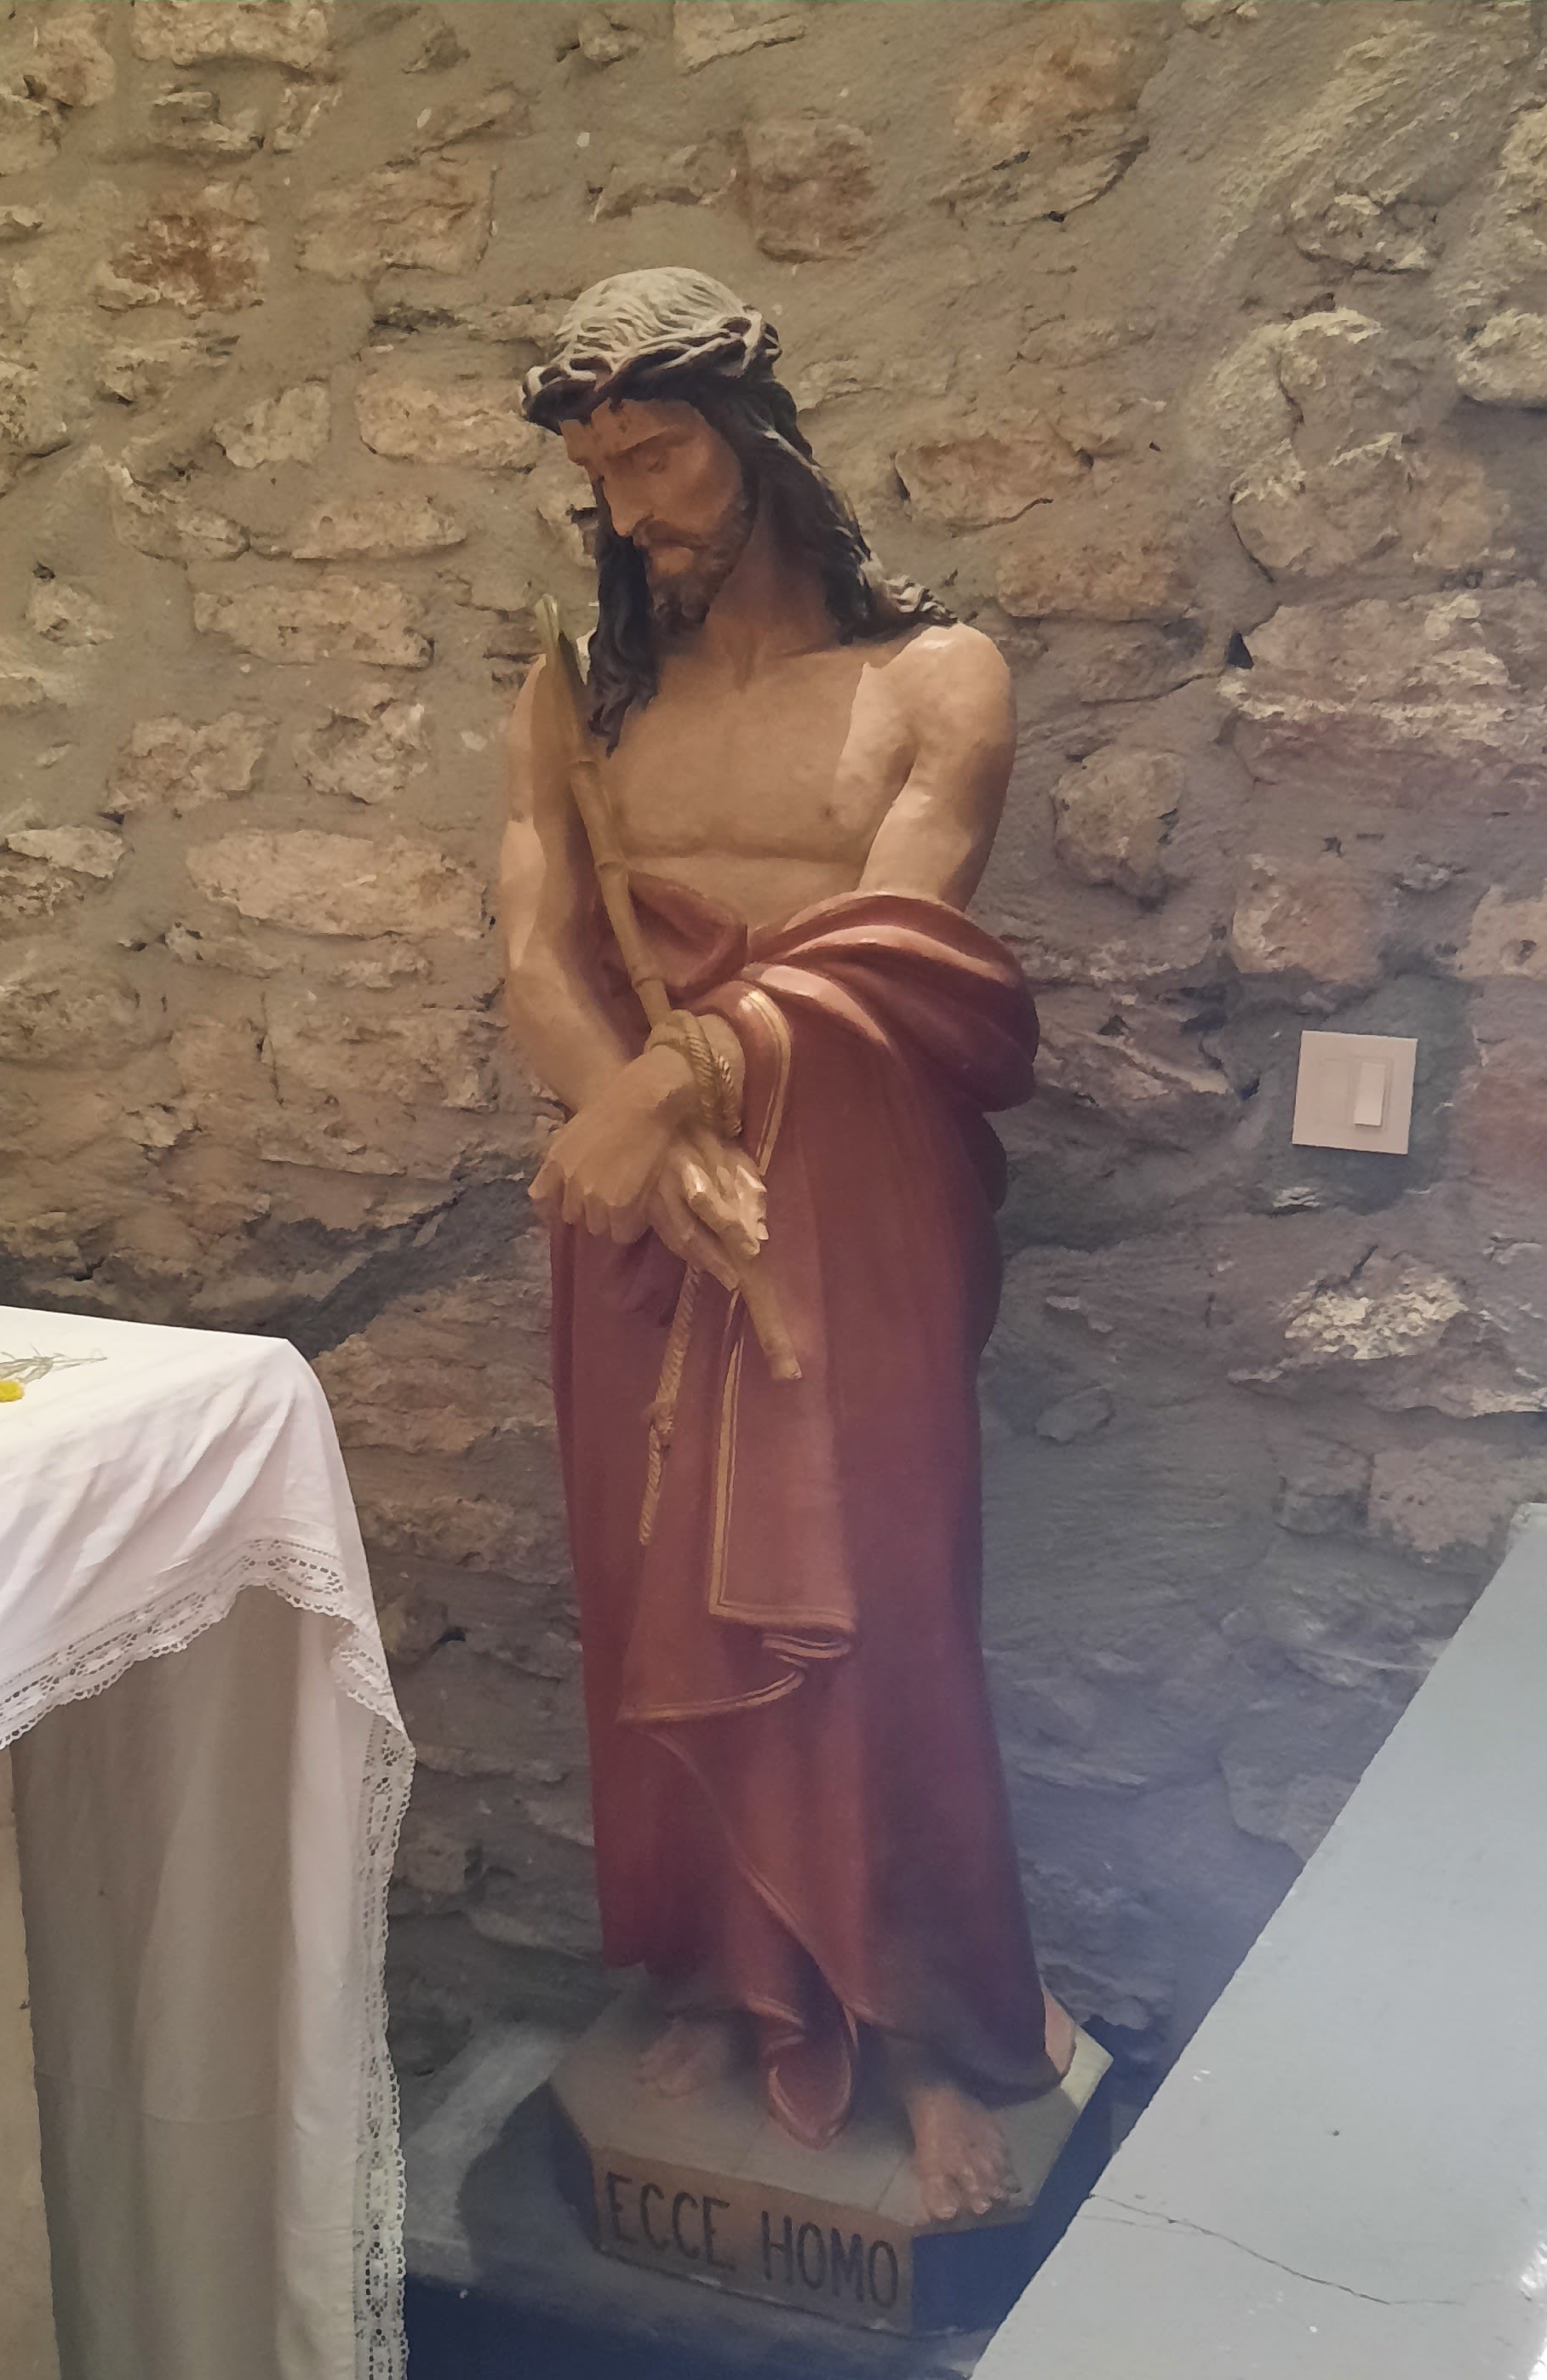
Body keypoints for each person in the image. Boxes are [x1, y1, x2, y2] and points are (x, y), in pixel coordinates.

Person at [498, 268, 1072, 2222]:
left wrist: (669, 1090)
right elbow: (534, 952)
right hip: (642, 1220)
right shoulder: (581, 700)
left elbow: (888, 952)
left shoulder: (935, 681)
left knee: (871, 1596)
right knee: (660, 1589)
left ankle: (911, 2026)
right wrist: (629, 1127)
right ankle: (729, 1973)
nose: (629, 509)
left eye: (658, 457)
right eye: (600, 475)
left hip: (846, 1200)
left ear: (756, 441)